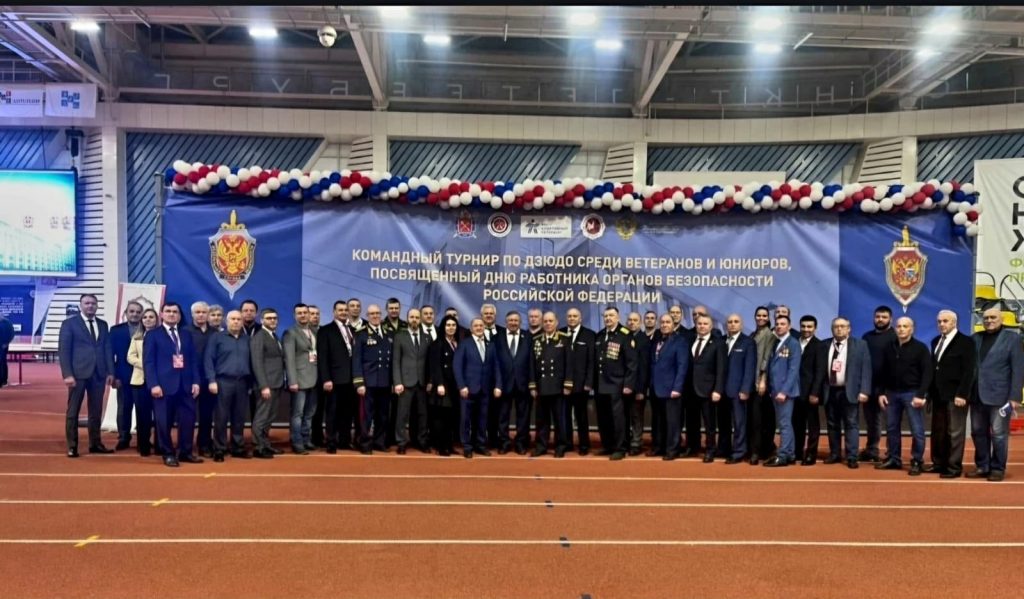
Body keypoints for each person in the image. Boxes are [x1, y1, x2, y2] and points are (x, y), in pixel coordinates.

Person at [143, 302, 202, 467]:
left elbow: (193, 360)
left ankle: (185, 452)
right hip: (163, 386)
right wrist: (153, 384)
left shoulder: (186, 334)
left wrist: (196, 381)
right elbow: (148, 362)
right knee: (164, 422)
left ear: (180, 316)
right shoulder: (153, 335)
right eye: (168, 311)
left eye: (175, 312)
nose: (171, 314)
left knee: (188, 421)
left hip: (186, 385)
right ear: (161, 315)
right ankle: (168, 453)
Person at [968, 307, 1024, 482]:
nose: (989, 320)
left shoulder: (1013, 339)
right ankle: (982, 466)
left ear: (1002, 319)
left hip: (1001, 396)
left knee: (999, 434)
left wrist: (1015, 396)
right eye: (986, 318)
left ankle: (998, 468)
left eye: (993, 317)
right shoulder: (975, 338)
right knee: (977, 432)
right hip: (976, 395)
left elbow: (1018, 368)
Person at [58, 293, 115, 458]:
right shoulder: (69, 324)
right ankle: (72, 446)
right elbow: (64, 350)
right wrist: (67, 374)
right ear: (81, 305)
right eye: (87, 303)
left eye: (93, 303)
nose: (90, 306)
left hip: (99, 373)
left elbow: (107, 349)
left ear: (97, 306)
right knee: (73, 411)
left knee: (96, 411)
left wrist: (110, 372)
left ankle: (95, 443)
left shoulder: (103, 324)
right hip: (77, 374)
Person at [876, 316, 932, 475]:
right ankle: (894, 458)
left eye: (905, 326)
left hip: (912, 394)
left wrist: (921, 394)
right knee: (891, 428)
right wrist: (881, 393)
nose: (901, 329)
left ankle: (917, 461)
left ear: (912, 329)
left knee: (917, 430)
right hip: (891, 394)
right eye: (899, 326)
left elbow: (927, 373)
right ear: (895, 328)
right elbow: (882, 372)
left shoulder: (920, 348)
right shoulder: (889, 347)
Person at [926, 310, 976, 478]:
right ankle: (938, 463)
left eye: (945, 321)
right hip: (938, 394)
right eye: (939, 321)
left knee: (954, 432)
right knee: (938, 431)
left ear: (954, 322)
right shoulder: (935, 341)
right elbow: (934, 368)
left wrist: (962, 394)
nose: (941, 324)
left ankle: (953, 467)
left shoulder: (966, 342)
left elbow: (969, 370)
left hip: (956, 396)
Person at [818, 317, 872, 469]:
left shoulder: (860, 345)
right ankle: (835, 453)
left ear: (849, 329)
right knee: (832, 424)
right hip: (830, 390)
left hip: (850, 391)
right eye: (836, 326)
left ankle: (852, 456)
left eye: (842, 326)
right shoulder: (824, 345)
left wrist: (865, 390)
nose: (839, 329)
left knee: (851, 423)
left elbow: (866, 369)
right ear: (832, 329)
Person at [204, 310, 252, 462]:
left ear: (242, 322)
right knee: (221, 417)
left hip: (242, 382)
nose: (236, 322)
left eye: (239, 319)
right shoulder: (217, 337)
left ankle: (238, 447)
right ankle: (220, 448)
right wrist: (211, 380)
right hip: (223, 381)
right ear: (226, 321)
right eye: (233, 319)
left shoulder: (247, 339)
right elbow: (208, 359)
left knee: (239, 417)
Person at [453, 318, 502, 458]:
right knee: (466, 420)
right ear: (471, 328)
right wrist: (461, 386)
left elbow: (496, 366)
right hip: (468, 390)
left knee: (482, 419)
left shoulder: (491, 345)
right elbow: (457, 366)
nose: (479, 328)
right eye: (476, 326)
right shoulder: (464, 344)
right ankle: (467, 446)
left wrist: (498, 385)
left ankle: (480, 445)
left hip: (485, 389)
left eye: (481, 325)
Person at [593, 307, 637, 461]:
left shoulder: (625, 335)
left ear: (618, 317)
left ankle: (620, 448)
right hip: (600, 383)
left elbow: (632, 363)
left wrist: (628, 384)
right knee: (603, 417)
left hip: (617, 384)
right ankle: (608, 445)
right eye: (606, 316)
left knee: (618, 418)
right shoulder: (600, 335)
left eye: (611, 315)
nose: (608, 318)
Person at [529, 311, 573, 458]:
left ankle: (560, 446)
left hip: (558, 387)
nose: (548, 323)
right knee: (541, 420)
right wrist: (533, 385)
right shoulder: (536, 340)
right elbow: (532, 365)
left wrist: (568, 384)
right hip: (541, 386)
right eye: (545, 321)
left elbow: (569, 363)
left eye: (550, 321)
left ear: (556, 322)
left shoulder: (564, 339)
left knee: (560, 419)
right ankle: (541, 446)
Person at [684, 313, 725, 461]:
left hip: (708, 390)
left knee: (709, 423)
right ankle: (693, 447)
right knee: (691, 421)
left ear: (711, 326)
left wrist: (718, 389)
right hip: (690, 389)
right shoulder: (690, 340)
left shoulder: (718, 343)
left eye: (705, 324)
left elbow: (721, 369)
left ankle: (710, 449)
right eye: (699, 324)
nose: (702, 326)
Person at [353, 304, 393, 454]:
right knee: (366, 416)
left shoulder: (388, 333)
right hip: (368, 382)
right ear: (367, 316)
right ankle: (364, 443)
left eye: (377, 313)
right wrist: (359, 383)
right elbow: (356, 360)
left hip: (385, 382)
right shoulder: (361, 334)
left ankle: (379, 441)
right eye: (372, 314)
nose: (375, 316)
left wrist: (393, 381)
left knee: (383, 415)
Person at [762, 315, 801, 467]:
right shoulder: (775, 342)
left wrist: (784, 391)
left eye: (783, 324)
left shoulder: (793, 343)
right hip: (775, 390)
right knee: (785, 423)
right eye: (777, 324)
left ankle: (782, 455)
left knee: (784, 424)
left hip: (785, 392)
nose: (779, 326)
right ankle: (790, 454)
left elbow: (793, 370)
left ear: (789, 326)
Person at [318, 300, 357, 454]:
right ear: (334, 312)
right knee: (332, 412)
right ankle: (331, 442)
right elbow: (323, 357)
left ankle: (344, 440)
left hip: (351, 379)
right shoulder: (325, 330)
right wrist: (326, 379)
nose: (343, 312)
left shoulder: (353, 330)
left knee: (347, 412)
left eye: (345, 310)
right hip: (334, 379)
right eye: (340, 310)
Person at [650, 314, 689, 460]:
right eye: (662, 322)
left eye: (668, 322)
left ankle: (673, 450)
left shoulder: (680, 341)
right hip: (656, 388)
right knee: (659, 421)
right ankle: (659, 447)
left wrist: (677, 388)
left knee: (673, 422)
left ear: (673, 325)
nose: (664, 324)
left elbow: (682, 366)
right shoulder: (657, 340)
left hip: (672, 389)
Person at [392, 308, 431, 455]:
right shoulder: (399, 336)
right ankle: (401, 442)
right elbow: (396, 361)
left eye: (417, 317)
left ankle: (421, 441)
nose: (414, 320)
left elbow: (430, 362)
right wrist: (397, 382)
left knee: (422, 415)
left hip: (422, 383)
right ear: (407, 318)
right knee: (402, 415)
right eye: (412, 317)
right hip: (405, 382)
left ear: (420, 319)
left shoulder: (427, 337)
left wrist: (430, 381)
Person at [493, 310, 532, 454]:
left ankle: (521, 442)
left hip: (523, 383)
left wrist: (532, 383)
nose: (513, 323)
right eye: (511, 320)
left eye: (516, 320)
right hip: (503, 384)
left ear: (520, 322)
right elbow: (495, 361)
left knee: (523, 416)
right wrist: (497, 384)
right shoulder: (497, 337)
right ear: (506, 322)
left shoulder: (528, 337)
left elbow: (532, 362)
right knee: (503, 416)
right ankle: (504, 442)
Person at [861, 305, 896, 463]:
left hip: (889, 387)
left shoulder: (896, 337)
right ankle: (872, 450)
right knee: (871, 421)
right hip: (869, 385)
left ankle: (892, 453)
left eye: (884, 317)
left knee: (891, 421)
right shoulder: (867, 337)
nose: (880, 320)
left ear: (891, 319)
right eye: (877, 317)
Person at [249, 308, 286, 459]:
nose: (272, 320)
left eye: (275, 318)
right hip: (266, 385)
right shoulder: (259, 337)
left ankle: (265, 444)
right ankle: (258, 447)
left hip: (276, 383)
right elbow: (257, 363)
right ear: (262, 320)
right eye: (269, 318)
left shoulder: (273, 335)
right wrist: (263, 385)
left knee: (270, 416)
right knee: (262, 417)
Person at [283, 303, 318, 454]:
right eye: (299, 313)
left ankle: (306, 439)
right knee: (298, 414)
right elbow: (289, 358)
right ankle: (296, 442)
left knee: (309, 413)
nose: (303, 315)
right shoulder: (290, 333)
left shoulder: (314, 331)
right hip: (299, 380)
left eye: (305, 312)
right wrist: (292, 381)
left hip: (314, 378)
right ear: (294, 316)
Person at [722, 314, 757, 464]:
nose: (732, 324)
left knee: (739, 423)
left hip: (738, 390)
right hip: (722, 390)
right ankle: (725, 448)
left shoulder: (748, 342)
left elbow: (750, 368)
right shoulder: (721, 340)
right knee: (724, 423)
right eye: (730, 322)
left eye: (736, 322)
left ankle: (739, 451)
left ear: (741, 325)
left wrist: (745, 389)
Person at [109, 301, 143, 450]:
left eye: (138, 312)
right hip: (123, 376)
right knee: (124, 408)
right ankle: (123, 437)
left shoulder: (149, 329)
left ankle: (143, 438)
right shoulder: (116, 330)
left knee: (143, 408)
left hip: (144, 376)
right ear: (126, 313)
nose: (135, 314)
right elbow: (110, 355)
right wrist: (114, 375)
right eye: (132, 311)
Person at [126, 308, 160, 456]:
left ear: (157, 319)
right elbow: (130, 357)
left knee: (160, 416)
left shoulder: (162, 336)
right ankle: (143, 445)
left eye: (151, 317)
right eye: (145, 317)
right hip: (140, 381)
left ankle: (160, 445)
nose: (148, 319)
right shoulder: (137, 337)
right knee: (142, 415)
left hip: (159, 382)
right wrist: (146, 364)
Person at [562, 307, 596, 455]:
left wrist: (589, 382)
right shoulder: (560, 333)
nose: (572, 318)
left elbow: (592, 361)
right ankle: (567, 443)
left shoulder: (589, 335)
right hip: (563, 384)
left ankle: (584, 444)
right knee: (565, 416)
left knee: (581, 416)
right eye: (569, 316)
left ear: (580, 318)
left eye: (575, 316)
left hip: (582, 384)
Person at [187, 301, 217, 457]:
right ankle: (186, 445)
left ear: (208, 314)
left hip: (209, 379)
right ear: (192, 314)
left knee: (207, 414)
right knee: (188, 415)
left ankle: (204, 444)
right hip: (190, 379)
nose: (201, 315)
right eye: (197, 312)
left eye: (204, 312)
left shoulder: (215, 333)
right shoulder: (185, 332)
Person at [428, 315, 461, 456]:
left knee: (451, 417)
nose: (451, 328)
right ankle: (441, 446)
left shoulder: (457, 343)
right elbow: (435, 366)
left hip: (454, 386)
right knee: (441, 417)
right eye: (448, 325)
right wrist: (440, 384)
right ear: (443, 327)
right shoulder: (438, 343)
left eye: (453, 325)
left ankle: (449, 445)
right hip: (443, 386)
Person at [794, 315, 824, 465]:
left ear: (815, 328)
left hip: (810, 393)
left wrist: (815, 392)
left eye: (809, 326)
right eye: (803, 326)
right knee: (797, 424)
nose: (806, 329)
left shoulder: (819, 345)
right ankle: (797, 452)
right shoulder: (793, 342)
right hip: (794, 392)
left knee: (812, 426)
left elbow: (820, 371)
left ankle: (811, 454)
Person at [749, 305, 776, 464]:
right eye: (758, 315)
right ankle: (755, 449)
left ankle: (759, 451)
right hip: (751, 382)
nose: (761, 318)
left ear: (768, 318)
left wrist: (763, 380)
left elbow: (766, 358)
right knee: (754, 419)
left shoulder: (769, 335)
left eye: (764, 316)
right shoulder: (752, 334)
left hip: (761, 383)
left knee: (761, 420)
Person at [625, 311, 651, 456]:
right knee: (624, 416)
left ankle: (636, 442)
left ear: (640, 322)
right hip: (623, 385)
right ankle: (626, 440)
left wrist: (641, 389)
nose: (632, 322)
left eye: (635, 320)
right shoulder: (623, 337)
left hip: (637, 386)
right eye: (630, 320)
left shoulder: (644, 340)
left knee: (636, 416)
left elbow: (644, 367)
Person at [308, 305, 325, 447]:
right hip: (308, 377)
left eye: (317, 314)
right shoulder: (303, 333)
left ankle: (318, 437)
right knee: (309, 410)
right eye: (312, 314)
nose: (315, 316)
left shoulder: (324, 331)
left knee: (320, 409)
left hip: (324, 377)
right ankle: (306, 437)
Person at [0, 310, 14, 387]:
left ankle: (4, 380)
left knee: (2, 362)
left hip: (3, 346)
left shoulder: (8, 323)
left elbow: (11, 334)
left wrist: (6, 343)